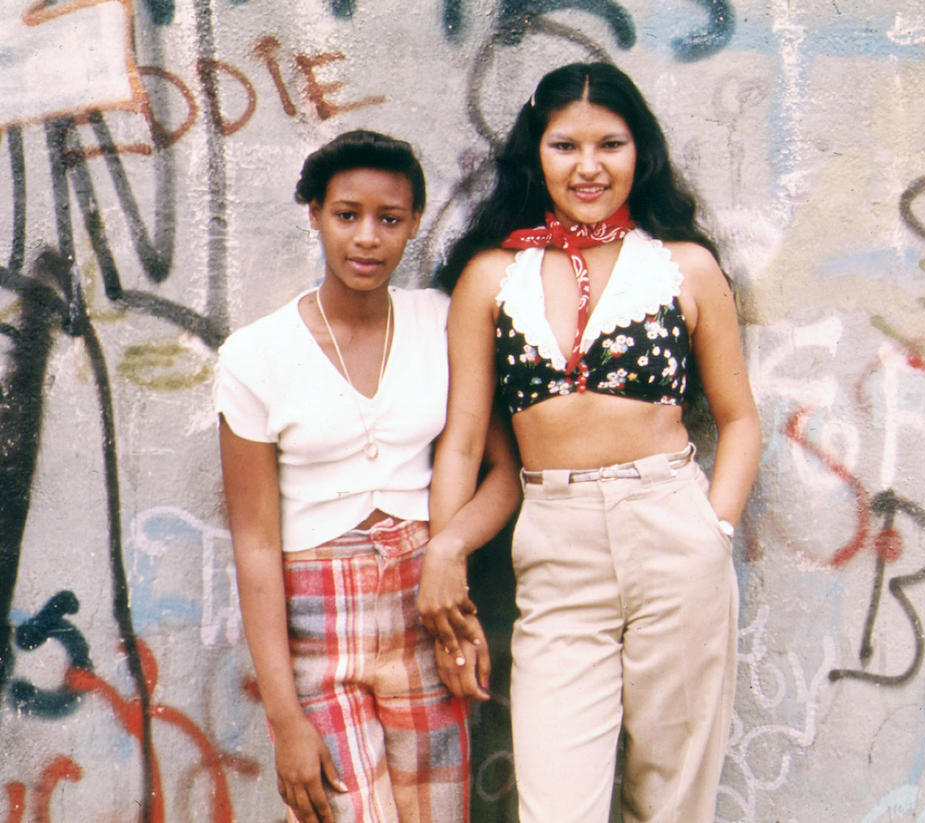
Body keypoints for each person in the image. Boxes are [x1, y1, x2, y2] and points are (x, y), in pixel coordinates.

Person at [421, 63, 761, 823]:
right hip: (555, 545)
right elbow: (463, 441)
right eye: (565, 145)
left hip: (674, 531)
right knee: (557, 805)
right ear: (535, 155)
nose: (589, 166)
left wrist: (716, 528)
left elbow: (740, 419)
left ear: (640, 152)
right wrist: (448, 562)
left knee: (671, 800)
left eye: (611, 143)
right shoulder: (491, 275)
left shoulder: (686, 267)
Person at [215, 129, 518, 823]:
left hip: (427, 609)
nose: (367, 238)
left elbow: (504, 473)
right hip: (319, 623)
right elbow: (256, 543)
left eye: (389, 219)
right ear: (315, 213)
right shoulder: (255, 356)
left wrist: (450, 551)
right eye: (347, 214)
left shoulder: (441, 322)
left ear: (413, 223)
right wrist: (285, 717)